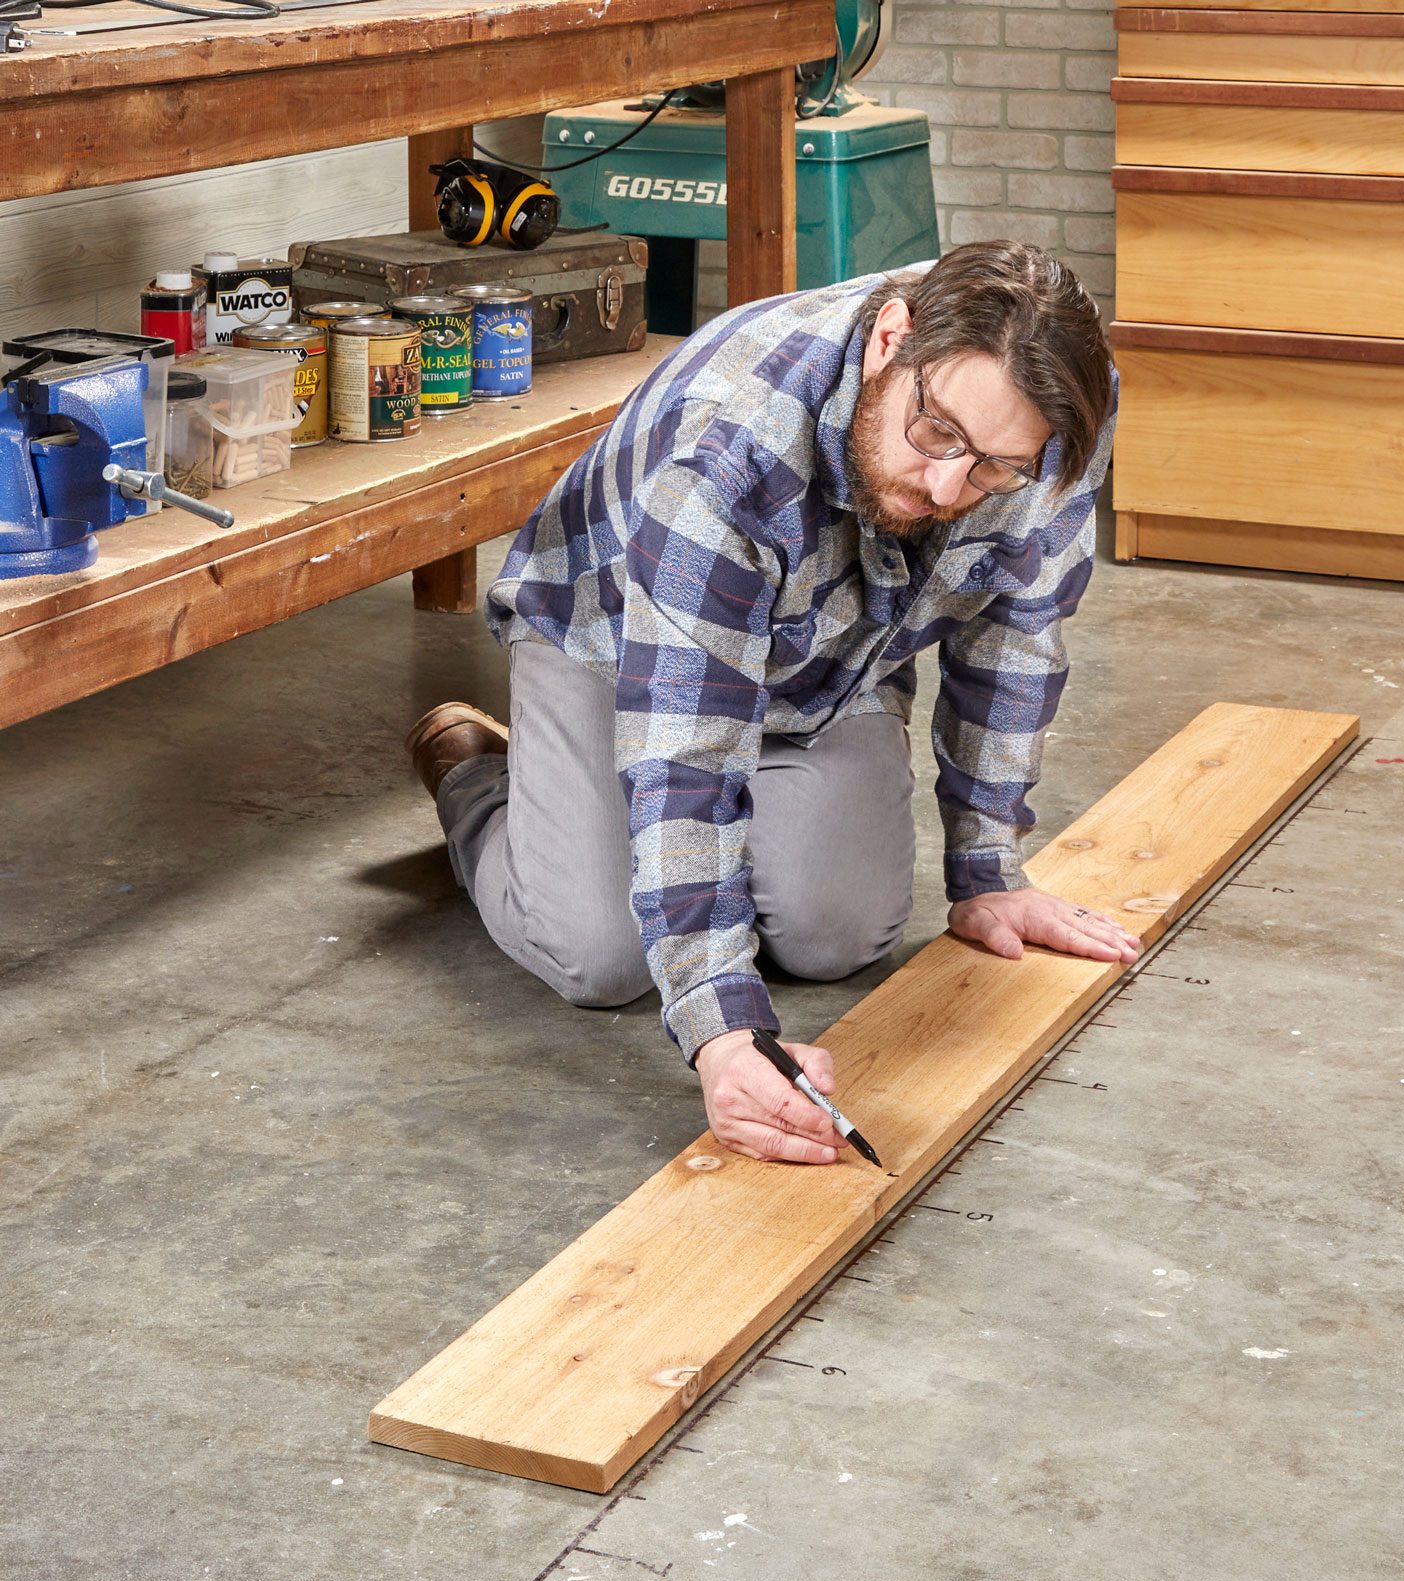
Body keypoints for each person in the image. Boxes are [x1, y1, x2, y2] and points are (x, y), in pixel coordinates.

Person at [406, 240, 1141, 1166]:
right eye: (938, 438)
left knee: (840, 934)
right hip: (616, 639)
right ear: (891, 338)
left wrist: (988, 867)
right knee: (599, 955)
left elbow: (1017, 626)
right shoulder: (729, 449)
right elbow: (687, 746)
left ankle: (669, 840)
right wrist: (722, 1029)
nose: (952, 489)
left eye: (995, 468)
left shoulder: (1064, 414)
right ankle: (479, 770)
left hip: (829, 655)